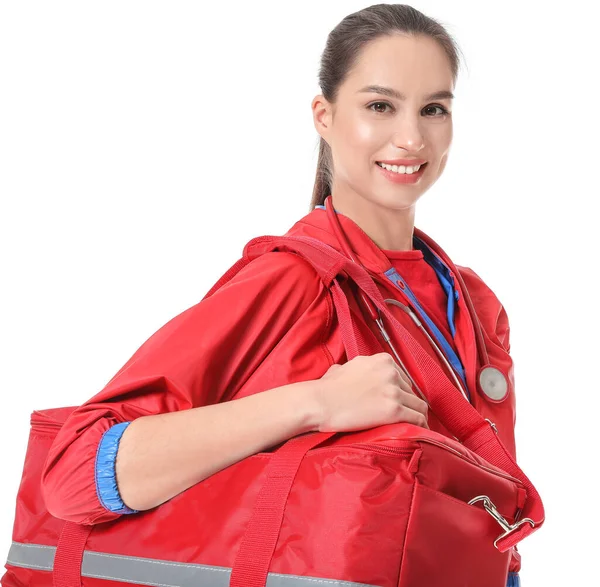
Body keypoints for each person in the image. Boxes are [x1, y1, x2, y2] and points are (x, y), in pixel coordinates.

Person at [40, 4, 521, 586]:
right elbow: (72, 475)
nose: (412, 136)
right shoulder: (292, 280)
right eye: (379, 106)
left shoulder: (473, 300)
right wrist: (314, 403)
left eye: (434, 109)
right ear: (324, 115)